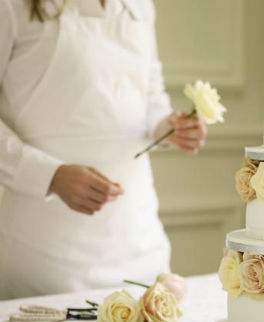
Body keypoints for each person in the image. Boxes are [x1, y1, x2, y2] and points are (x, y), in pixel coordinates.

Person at [0, 0, 207, 298]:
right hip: (43, 257)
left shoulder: (141, 6)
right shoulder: (12, 7)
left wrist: (168, 127)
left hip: (139, 242)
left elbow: (150, 98)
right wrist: (50, 176)